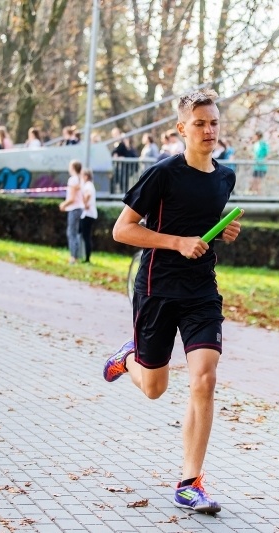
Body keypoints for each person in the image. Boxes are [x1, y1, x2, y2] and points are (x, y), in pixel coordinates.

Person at [103, 89, 242, 514]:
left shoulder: (225, 177)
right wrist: (177, 242)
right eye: (199, 123)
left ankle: (190, 482)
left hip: (201, 291)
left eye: (213, 122)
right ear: (182, 128)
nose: (208, 130)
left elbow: (203, 227)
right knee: (154, 388)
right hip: (157, 288)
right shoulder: (162, 174)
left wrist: (224, 232)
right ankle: (128, 359)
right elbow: (122, 230)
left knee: (204, 378)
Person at [58, 160, 85, 264]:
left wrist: (63, 204)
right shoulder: (80, 179)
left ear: (73, 167)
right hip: (79, 208)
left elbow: (72, 198)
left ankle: (73, 257)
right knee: (75, 232)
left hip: (74, 209)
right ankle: (76, 256)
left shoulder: (73, 180)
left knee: (71, 233)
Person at [79, 168, 98, 263]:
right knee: (86, 236)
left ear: (86, 176)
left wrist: (85, 203)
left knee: (86, 236)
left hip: (88, 214)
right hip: (90, 214)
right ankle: (85, 256)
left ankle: (87, 258)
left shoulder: (88, 185)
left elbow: (88, 195)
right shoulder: (90, 185)